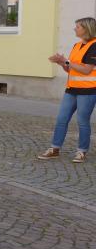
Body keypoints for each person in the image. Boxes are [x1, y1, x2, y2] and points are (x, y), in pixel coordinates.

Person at [38, 17, 96, 163]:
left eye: (78, 27)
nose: (75, 29)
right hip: (71, 90)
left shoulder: (94, 46)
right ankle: (55, 149)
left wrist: (67, 62)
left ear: (86, 29)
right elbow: (71, 69)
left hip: (88, 91)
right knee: (61, 119)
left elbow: (86, 70)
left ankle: (81, 151)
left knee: (82, 121)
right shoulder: (77, 45)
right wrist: (61, 63)